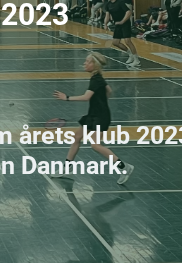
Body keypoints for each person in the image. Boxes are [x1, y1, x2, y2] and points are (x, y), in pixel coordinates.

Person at [53, 52, 134, 184]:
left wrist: (66, 98)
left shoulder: (96, 80)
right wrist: (100, 102)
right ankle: (67, 168)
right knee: (77, 138)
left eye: (87, 61)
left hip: (100, 117)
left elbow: (86, 97)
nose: (84, 63)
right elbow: (109, 91)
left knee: (95, 145)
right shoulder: (98, 78)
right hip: (94, 114)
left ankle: (124, 167)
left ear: (94, 64)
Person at [104, 0, 141, 67]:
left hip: (125, 23)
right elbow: (107, 15)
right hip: (117, 24)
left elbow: (128, 12)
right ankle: (130, 54)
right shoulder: (108, 4)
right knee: (115, 42)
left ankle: (137, 60)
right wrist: (105, 24)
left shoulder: (120, 2)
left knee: (128, 41)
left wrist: (122, 21)